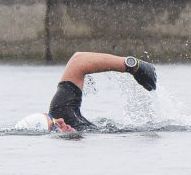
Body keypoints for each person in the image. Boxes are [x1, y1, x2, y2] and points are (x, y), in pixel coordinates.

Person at [15, 52, 157, 133]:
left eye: (51, 117)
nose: (59, 121)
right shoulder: (69, 152)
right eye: (53, 125)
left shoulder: (61, 113)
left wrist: (132, 65)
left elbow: (78, 61)